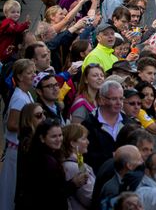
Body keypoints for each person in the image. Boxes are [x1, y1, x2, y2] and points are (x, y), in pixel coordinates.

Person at [16, 119, 90, 209]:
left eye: (60, 135)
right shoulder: (44, 161)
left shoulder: (51, 155)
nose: (59, 139)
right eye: (54, 136)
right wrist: (73, 184)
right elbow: (50, 195)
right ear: (42, 138)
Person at [0, 59, 36, 210]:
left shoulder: (26, 94)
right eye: (30, 73)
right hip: (15, 152)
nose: (34, 75)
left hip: (20, 151)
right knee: (11, 190)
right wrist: (33, 129)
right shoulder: (19, 98)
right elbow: (12, 124)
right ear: (20, 76)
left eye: (34, 72)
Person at [81, 81, 138, 172]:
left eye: (121, 98)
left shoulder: (130, 124)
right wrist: (113, 156)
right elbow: (87, 156)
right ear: (102, 100)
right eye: (114, 99)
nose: (119, 103)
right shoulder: (88, 125)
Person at [61, 123, 97, 210]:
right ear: (73, 143)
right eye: (84, 139)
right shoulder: (72, 167)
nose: (88, 142)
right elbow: (89, 198)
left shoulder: (78, 163)